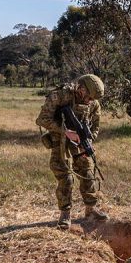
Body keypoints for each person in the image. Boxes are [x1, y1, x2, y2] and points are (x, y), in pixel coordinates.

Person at [35, 74, 108, 229]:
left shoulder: (93, 104)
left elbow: (95, 126)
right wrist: (65, 131)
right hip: (59, 141)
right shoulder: (60, 96)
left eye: (92, 99)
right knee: (65, 178)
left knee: (88, 173)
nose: (89, 101)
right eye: (88, 97)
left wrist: (87, 141)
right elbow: (42, 119)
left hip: (79, 142)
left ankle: (91, 209)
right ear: (80, 88)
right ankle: (65, 213)